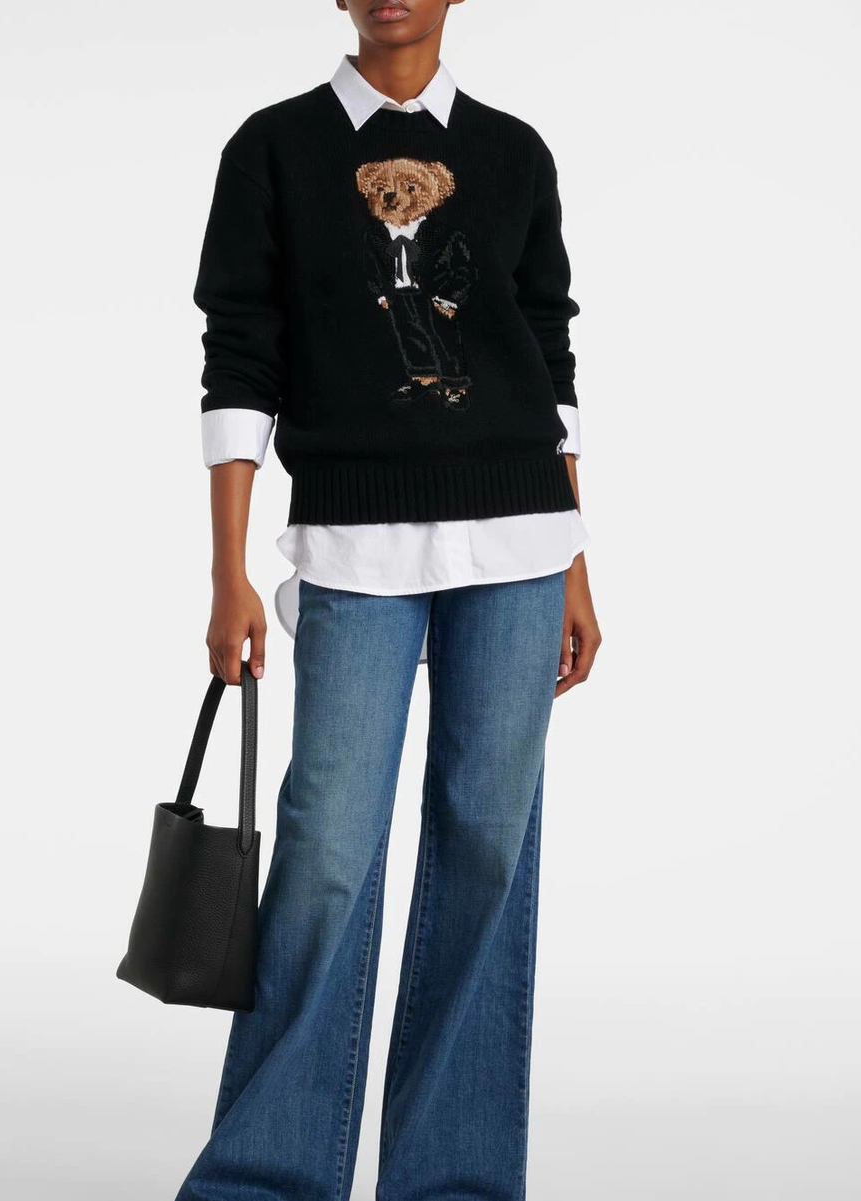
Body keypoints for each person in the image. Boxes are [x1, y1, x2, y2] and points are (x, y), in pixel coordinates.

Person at [182, 2, 602, 1197]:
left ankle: (454, 1180)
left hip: (521, 540)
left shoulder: (514, 153)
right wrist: (226, 569)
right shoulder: (273, 149)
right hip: (352, 543)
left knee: (487, 848)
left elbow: (547, 354)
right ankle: (265, 1177)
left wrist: (576, 559)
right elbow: (240, 352)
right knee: (327, 848)